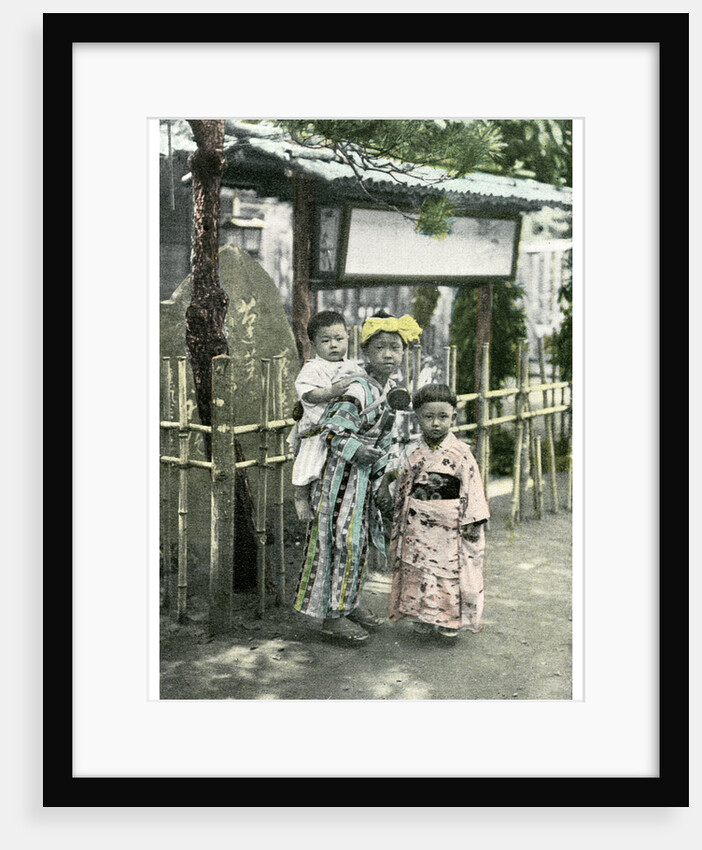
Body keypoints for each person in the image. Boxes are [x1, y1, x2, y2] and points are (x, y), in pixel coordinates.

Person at [293, 312, 422, 643]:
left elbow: (385, 440)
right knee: (339, 543)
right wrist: (356, 451)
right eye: (381, 347)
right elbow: (334, 432)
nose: (389, 354)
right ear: (366, 353)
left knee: (358, 544)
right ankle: (331, 618)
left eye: (396, 347)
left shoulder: (391, 389)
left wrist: (382, 478)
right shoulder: (358, 388)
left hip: (363, 479)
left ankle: (348, 605)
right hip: (339, 478)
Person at [387, 383, 490, 639]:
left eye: (443, 417)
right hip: (417, 524)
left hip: (450, 524)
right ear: (417, 417)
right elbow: (402, 484)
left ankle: (447, 621)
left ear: (453, 417)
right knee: (419, 569)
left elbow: (473, 486)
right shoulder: (412, 450)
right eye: (428, 416)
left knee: (448, 573)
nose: (435, 423)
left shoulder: (462, 454)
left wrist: (472, 520)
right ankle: (422, 615)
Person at [287, 311, 364, 521]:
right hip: (318, 426)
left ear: (347, 337)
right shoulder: (313, 368)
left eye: (339, 339)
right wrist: (331, 391)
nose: (333, 345)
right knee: (309, 462)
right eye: (326, 340)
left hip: (344, 427)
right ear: (313, 344)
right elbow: (308, 394)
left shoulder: (353, 367)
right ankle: (300, 497)